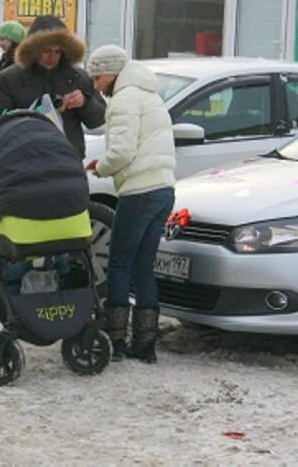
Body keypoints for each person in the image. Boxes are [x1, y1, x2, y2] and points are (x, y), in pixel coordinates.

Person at [84, 44, 176, 364]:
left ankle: (116, 341)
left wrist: (102, 166)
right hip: (163, 189)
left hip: (139, 191)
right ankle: (146, 345)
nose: (96, 85)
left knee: (120, 263)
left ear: (112, 72)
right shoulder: (149, 94)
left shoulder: (124, 98)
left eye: (98, 77)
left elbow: (122, 153)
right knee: (143, 266)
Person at [0, 15, 106, 159]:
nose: (52, 57)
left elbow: (99, 119)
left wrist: (84, 102)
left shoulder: (77, 77)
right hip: (24, 161)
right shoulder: (7, 79)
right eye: (46, 51)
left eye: (57, 51)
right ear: (34, 49)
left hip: (67, 162)